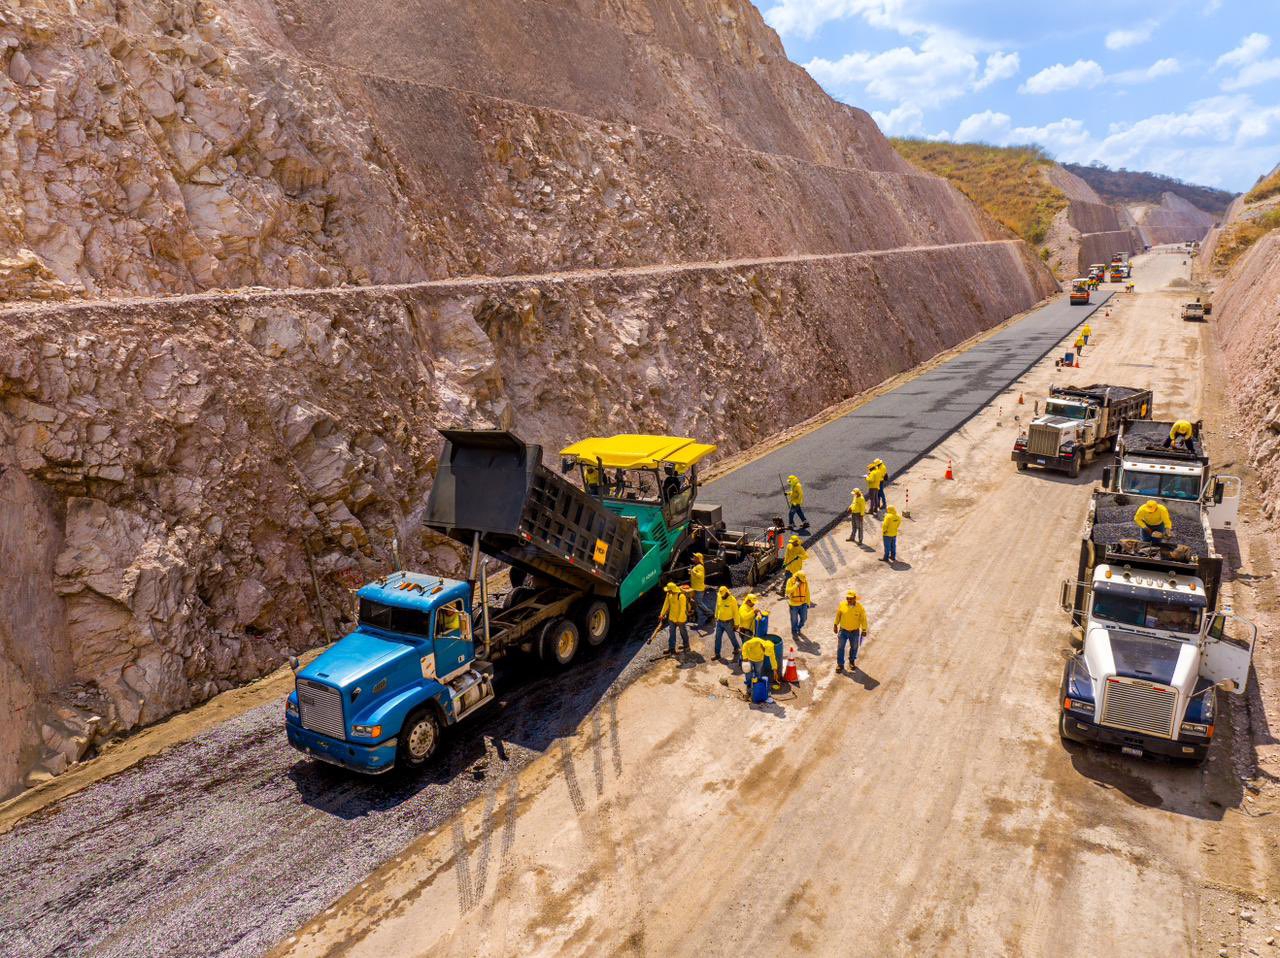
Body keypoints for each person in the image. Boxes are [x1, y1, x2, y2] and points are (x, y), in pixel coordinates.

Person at [832, 589, 869, 673]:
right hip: (843, 631)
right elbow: (838, 615)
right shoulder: (842, 605)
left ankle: (852, 661)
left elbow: (863, 619)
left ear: (855, 598)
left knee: (854, 647)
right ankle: (840, 664)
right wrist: (835, 625)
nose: (849, 600)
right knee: (840, 648)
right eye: (847, 598)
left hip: (854, 632)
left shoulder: (860, 608)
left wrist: (864, 629)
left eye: (851, 598)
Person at [741, 633, 779, 701]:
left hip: (759, 660)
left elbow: (773, 659)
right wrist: (745, 657)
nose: (764, 652)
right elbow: (745, 645)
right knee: (748, 672)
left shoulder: (770, 647)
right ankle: (749, 688)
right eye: (764, 651)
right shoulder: (755, 641)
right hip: (749, 658)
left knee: (758, 673)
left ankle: (756, 688)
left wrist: (775, 670)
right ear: (763, 646)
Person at [658, 582, 690, 654]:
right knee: (672, 633)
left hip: (680, 619)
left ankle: (686, 646)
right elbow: (666, 604)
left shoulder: (681, 596)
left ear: (672, 590)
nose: (667, 591)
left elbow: (683, 609)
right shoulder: (669, 594)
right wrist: (662, 614)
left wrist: (679, 620)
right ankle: (671, 648)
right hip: (672, 618)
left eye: (668, 590)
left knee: (683, 632)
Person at [713, 586, 740, 660]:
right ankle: (717, 654)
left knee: (732, 637)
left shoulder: (732, 600)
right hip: (719, 622)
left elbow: (736, 613)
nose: (722, 596)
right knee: (717, 638)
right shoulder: (719, 596)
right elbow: (717, 606)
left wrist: (736, 624)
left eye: (723, 595)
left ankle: (736, 648)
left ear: (727, 593)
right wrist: (716, 615)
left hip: (728, 623)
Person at [785, 570, 812, 640]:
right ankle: (794, 631)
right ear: (797, 578)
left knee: (804, 618)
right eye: (801, 580)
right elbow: (787, 591)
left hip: (803, 604)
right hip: (793, 605)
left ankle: (798, 628)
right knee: (794, 620)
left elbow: (807, 593)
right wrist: (796, 585)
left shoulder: (805, 581)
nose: (802, 581)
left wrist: (808, 603)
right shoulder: (790, 581)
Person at [689, 552, 712, 631]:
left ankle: (709, 613)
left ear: (698, 559)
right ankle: (695, 614)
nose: (694, 558)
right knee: (695, 601)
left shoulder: (700, 567)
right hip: (695, 588)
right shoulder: (697, 566)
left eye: (695, 557)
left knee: (699, 602)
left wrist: (692, 571)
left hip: (699, 588)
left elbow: (700, 576)